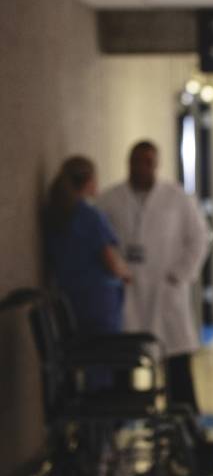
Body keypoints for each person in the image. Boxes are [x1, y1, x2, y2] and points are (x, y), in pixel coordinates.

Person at [96, 141, 213, 476]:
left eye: (150, 162)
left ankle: (193, 443)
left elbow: (200, 238)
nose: (143, 167)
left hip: (167, 296)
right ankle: (107, 443)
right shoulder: (109, 200)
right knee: (123, 373)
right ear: (129, 163)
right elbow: (100, 243)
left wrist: (180, 275)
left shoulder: (176, 199)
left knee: (179, 374)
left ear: (157, 164)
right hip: (129, 297)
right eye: (138, 161)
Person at [44, 156, 131, 390]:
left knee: (81, 359)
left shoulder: (56, 216)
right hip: (98, 303)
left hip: (69, 300)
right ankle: (102, 422)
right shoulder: (90, 216)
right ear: (90, 181)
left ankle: (87, 419)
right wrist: (126, 273)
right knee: (102, 361)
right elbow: (110, 262)